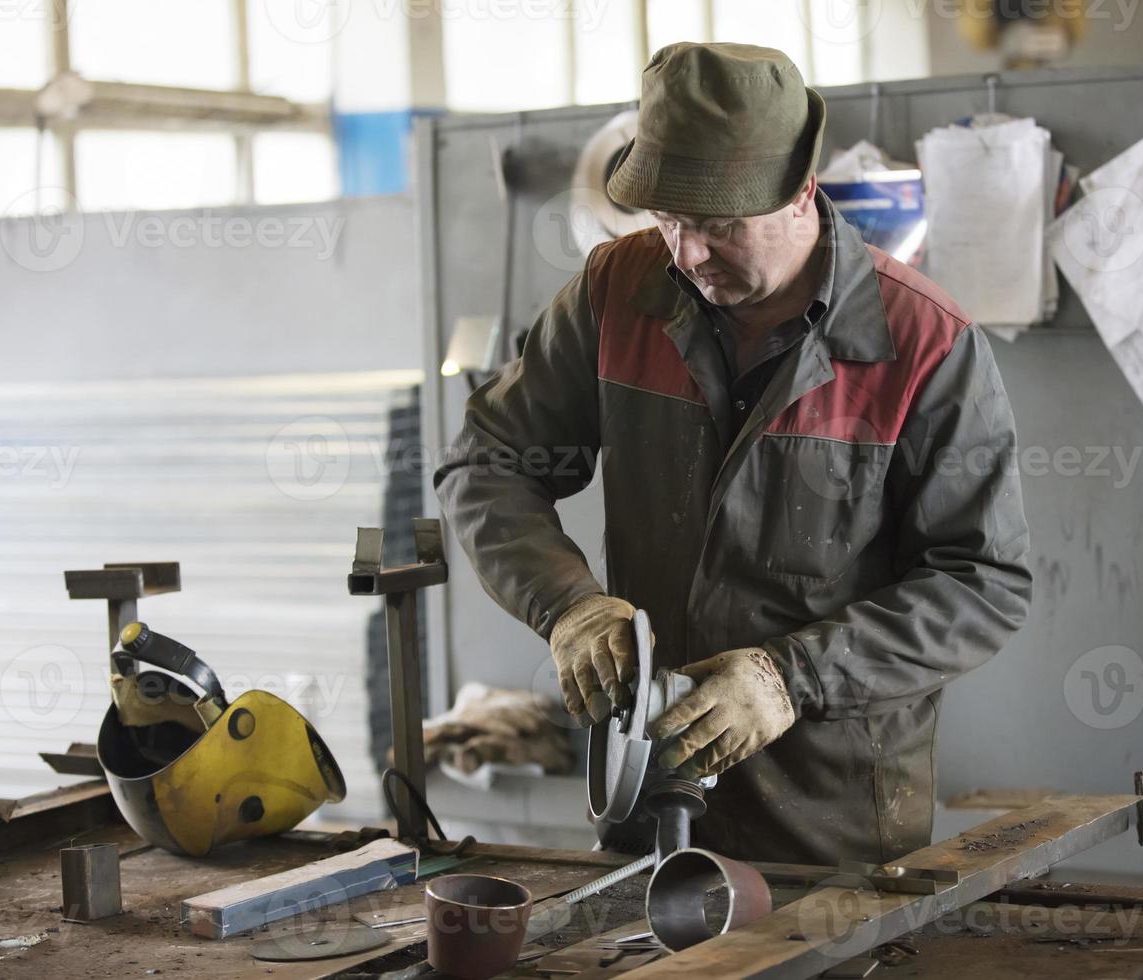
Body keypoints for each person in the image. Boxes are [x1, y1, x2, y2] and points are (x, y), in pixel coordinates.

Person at [435, 41, 1033, 865]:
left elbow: (982, 582)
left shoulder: (923, 342)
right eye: (670, 221)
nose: (688, 254)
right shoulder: (618, 291)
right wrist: (566, 605)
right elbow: (488, 461)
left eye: (718, 225)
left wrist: (794, 678)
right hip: (643, 801)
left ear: (800, 195)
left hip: (832, 823)